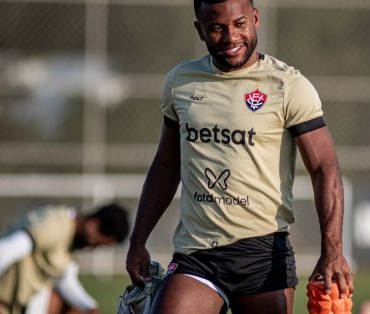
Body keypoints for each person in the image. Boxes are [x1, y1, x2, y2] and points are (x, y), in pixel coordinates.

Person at [125, 0, 355, 313]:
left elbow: (324, 168)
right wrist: (138, 240)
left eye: (239, 24)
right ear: (200, 30)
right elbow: (166, 167)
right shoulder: (181, 82)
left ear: (255, 19)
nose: (231, 37)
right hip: (196, 252)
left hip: (262, 253)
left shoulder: (287, 85)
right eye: (217, 28)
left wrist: (333, 250)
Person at [0, 202, 130, 314]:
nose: (93, 248)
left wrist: (89, 307)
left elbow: (64, 281)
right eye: (98, 244)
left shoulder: (71, 245)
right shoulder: (56, 225)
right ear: (93, 225)